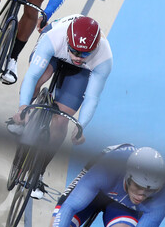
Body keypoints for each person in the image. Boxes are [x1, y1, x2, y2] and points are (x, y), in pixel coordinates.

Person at [8, 14, 112, 198]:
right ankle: (22, 118)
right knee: (39, 77)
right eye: (74, 51)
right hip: (55, 53)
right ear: (67, 41)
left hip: (81, 72)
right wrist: (23, 107)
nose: (78, 57)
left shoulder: (104, 58)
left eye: (85, 53)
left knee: (61, 122)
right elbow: (31, 76)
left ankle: (37, 173)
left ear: (95, 48)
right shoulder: (54, 37)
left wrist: (80, 126)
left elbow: (92, 98)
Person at [27, 144, 165, 227]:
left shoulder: (161, 198)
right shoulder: (107, 169)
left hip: (122, 203)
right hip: (96, 188)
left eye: (149, 191)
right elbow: (70, 207)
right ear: (128, 177)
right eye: (138, 186)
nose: (142, 195)